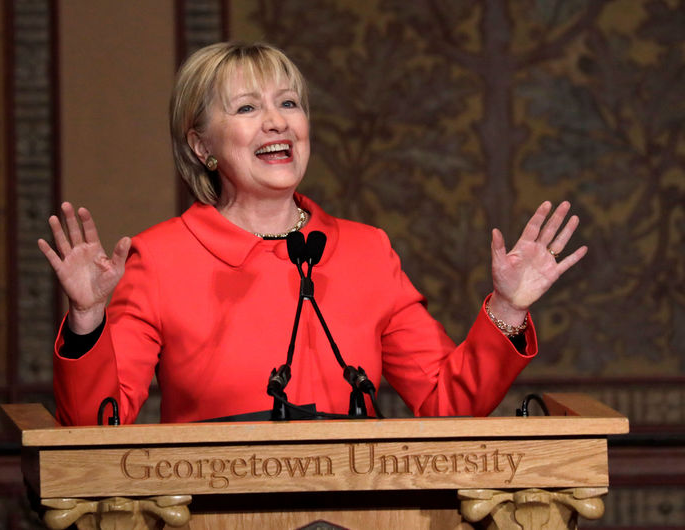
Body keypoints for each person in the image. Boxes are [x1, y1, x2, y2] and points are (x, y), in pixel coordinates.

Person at [38, 42, 587, 426]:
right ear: (202, 146)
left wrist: (509, 309)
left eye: (289, 103)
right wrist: (87, 322)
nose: (276, 122)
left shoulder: (367, 251)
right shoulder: (158, 258)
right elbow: (97, 430)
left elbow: (448, 404)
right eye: (248, 108)